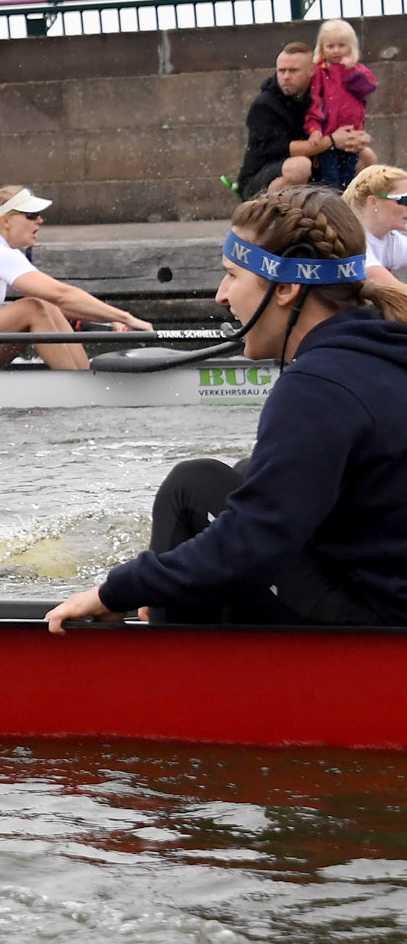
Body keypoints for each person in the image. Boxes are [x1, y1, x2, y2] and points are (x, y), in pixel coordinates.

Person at [46, 184, 407, 631]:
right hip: (383, 597)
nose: (220, 295)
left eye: (232, 275)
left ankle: (168, 678)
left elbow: (251, 542)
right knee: (247, 470)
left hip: (379, 632)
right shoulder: (386, 348)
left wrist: (119, 589)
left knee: (193, 486)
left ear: (287, 286)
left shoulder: (318, 386)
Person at [0, 187, 152, 370]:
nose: (39, 221)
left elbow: (58, 303)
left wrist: (113, 322)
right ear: (6, 221)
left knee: (44, 305)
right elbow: (63, 295)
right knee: (34, 307)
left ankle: (82, 374)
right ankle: (79, 388)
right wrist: (127, 317)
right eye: (31, 215)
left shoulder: (1, 250)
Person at [238, 41, 377, 196]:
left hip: (316, 167)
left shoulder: (319, 95)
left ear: (312, 70)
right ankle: (277, 214)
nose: (286, 77)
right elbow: (287, 149)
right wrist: (332, 141)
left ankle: (346, 211)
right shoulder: (264, 104)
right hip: (261, 179)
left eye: (293, 71)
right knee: (300, 166)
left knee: (366, 156)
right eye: (281, 71)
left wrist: (355, 138)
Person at [303, 19, 380, 188]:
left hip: (351, 134)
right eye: (331, 46)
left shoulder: (357, 69)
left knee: (349, 175)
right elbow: (314, 103)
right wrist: (314, 128)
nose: (336, 51)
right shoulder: (319, 71)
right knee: (330, 178)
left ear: (351, 47)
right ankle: (333, 207)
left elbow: (368, 87)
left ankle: (346, 206)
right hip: (326, 136)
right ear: (322, 48)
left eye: (341, 45)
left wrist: (350, 71)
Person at [343, 164, 407, 288]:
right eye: (404, 200)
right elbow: (396, 291)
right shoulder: (352, 238)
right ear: (373, 201)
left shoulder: (390, 237)